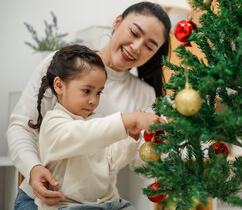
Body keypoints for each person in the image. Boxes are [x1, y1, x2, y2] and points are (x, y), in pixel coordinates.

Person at [7, 1, 171, 209]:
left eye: (149, 47)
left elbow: (136, 159)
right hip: (47, 199)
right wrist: (33, 168)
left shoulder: (144, 93)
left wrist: (156, 140)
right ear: (117, 22)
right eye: (134, 32)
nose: (136, 48)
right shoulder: (63, 67)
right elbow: (21, 127)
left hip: (102, 202)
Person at [32, 44, 165, 209]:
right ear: (59, 85)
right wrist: (129, 118)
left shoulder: (96, 121)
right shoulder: (54, 122)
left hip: (106, 203)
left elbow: (112, 160)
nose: (93, 100)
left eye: (98, 93)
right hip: (68, 206)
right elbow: (84, 135)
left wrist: (131, 136)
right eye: (87, 91)